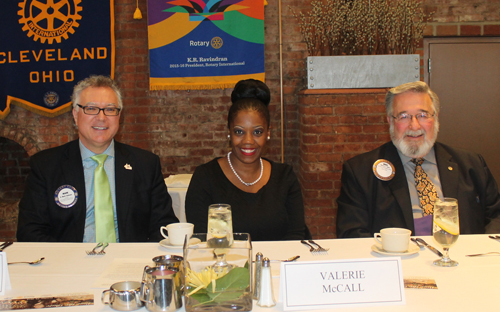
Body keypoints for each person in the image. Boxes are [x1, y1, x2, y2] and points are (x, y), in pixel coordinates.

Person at [17, 75, 178, 242]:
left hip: (128, 262)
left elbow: (163, 226)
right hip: (71, 264)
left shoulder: (145, 164)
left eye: (110, 109)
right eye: (91, 108)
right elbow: (30, 231)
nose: (101, 117)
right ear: (75, 114)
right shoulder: (46, 166)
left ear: (119, 116)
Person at [336, 81, 500, 238]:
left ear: (435, 118)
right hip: (400, 262)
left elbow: (496, 216)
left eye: (422, 115)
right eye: (404, 116)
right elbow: (351, 234)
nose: (414, 126)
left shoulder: (471, 164)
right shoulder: (360, 172)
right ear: (390, 120)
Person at [185, 80, 309, 241]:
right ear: (229, 132)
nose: (248, 141)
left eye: (257, 132)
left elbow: (296, 235)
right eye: (239, 132)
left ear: (268, 133)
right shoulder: (206, 177)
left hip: (279, 263)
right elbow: (201, 239)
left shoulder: (285, 177)